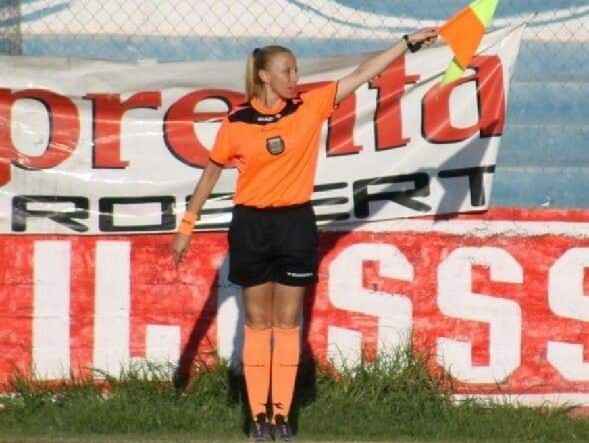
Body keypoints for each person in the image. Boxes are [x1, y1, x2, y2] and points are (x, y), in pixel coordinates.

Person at [172, 28, 438, 442]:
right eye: (287, 70)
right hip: (252, 226)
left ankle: (281, 419)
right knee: (258, 323)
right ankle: (258, 419)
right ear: (264, 76)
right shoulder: (236, 123)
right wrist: (187, 223)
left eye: (296, 69)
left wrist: (406, 43)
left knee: (287, 321)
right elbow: (210, 173)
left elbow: (363, 73)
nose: (295, 77)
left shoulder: (309, 107)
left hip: (295, 224)